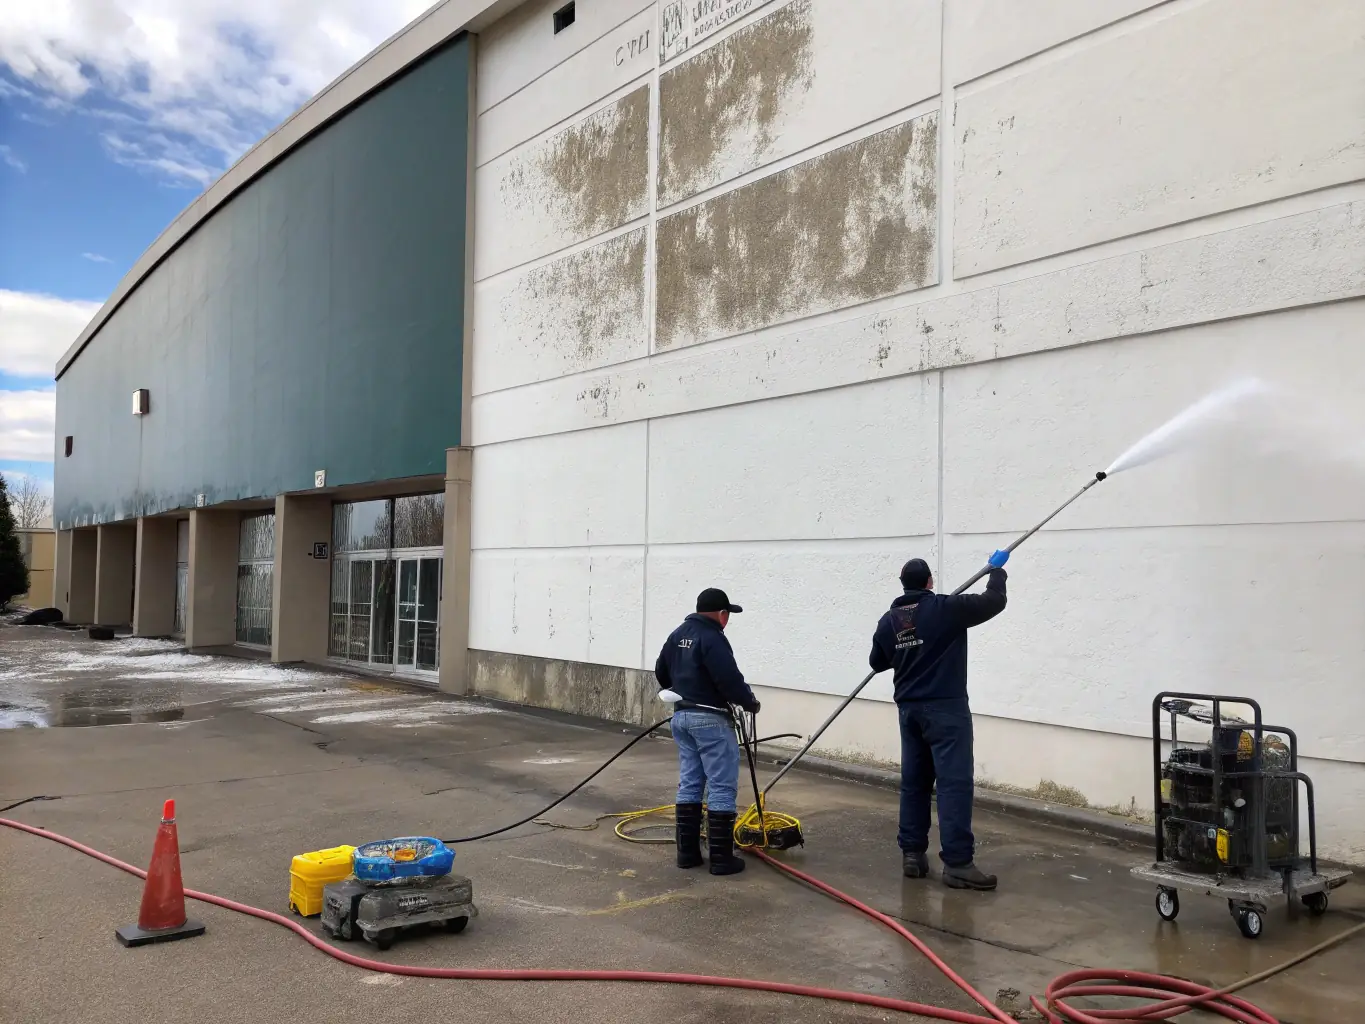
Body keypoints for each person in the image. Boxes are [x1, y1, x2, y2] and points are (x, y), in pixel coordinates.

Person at [869, 553, 1009, 890]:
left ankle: (913, 855)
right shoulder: (946, 609)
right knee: (953, 784)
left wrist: (907, 647)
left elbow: (877, 661)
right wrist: (997, 572)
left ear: (904, 584)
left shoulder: (890, 620)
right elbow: (994, 601)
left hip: (909, 712)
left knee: (915, 784)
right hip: (946, 710)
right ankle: (958, 863)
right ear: (929, 582)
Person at [655, 587, 760, 876]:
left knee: (690, 782)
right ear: (722, 614)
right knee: (722, 786)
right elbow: (728, 678)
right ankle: (722, 860)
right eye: (728, 615)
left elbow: (661, 672)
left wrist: (683, 688)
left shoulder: (678, 634)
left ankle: (687, 854)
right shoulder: (713, 637)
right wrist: (749, 702)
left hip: (682, 718)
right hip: (711, 719)